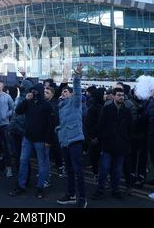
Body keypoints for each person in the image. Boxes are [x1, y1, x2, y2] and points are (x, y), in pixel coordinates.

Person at [9, 83, 55, 199]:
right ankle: (21, 186)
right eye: (32, 91)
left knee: (42, 163)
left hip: (41, 139)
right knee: (23, 161)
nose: (33, 93)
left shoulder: (47, 105)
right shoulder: (29, 102)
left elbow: (51, 124)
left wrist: (48, 140)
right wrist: (26, 99)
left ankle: (40, 188)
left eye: (35, 91)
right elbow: (18, 111)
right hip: (28, 137)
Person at [56, 63, 87, 208]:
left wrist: (76, 76)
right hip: (64, 141)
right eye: (62, 92)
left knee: (78, 170)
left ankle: (82, 198)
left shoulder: (75, 103)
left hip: (75, 139)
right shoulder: (61, 107)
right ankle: (71, 194)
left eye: (66, 92)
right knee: (68, 170)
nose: (64, 93)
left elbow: (77, 90)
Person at [92, 87, 131, 200]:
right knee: (104, 169)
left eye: (122, 95)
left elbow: (130, 127)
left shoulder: (126, 111)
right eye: (118, 95)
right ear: (113, 96)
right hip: (108, 144)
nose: (121, 97)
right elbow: (100, 125)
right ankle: (100, 190)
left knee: (117, 170)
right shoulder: (107, 109)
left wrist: (126, 139)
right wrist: (104, 137)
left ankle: (116, 190)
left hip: (121, 145)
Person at [8, 79, 34, 174]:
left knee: (24, 157)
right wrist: (11, 127)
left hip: (23, 131)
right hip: (15, 130)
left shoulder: (30, 100)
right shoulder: (19, 98)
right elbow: (15, 114)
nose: (21, 87)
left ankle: (25, 178)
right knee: (17, 155)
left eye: (23, 86)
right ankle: (20, 176)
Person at [85, 87, 105, 183]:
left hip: (101, 136)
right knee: (95, 156)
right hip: (95, 137)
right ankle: (96, 174)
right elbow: (89, 124)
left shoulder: (102, 106)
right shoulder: (94, 108)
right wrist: (93, 136)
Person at [44, 86, 65, 179]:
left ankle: (60, 168)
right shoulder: (43, 103)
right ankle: (46, 172)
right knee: (46, 153)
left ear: (52, 94)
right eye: (44, 92)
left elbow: (57, 117)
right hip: (45, 131)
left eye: (47, 92)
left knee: (57, 151)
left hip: (55, 131)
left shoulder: (56, 103)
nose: (45, 93)